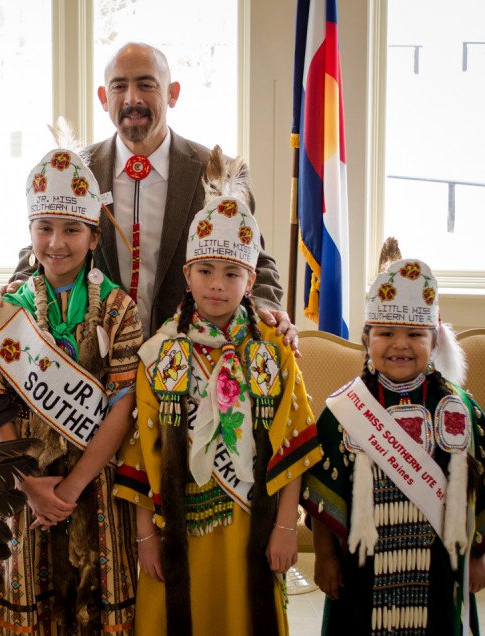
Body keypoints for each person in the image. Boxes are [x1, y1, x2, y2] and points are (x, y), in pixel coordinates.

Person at [113, 151, 322, 635]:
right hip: (176, 531)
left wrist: (287, 527)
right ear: (186, 275)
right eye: (205, 270)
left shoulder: (274, 350)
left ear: (252, 280)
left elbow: (295, 444)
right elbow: (141, 454)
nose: (217, 285)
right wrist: (145, 537)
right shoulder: (160, 352)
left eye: (232, 273)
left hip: (252, 527)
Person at [0, 42, 296, 347]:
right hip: (96, 372)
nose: (131, 99)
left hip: (184, 369)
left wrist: (266, 308)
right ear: (103, 98)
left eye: (146, 85)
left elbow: (257, 262)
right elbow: (45, 247)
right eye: (119, 87)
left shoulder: (219, 173)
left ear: (172, 93)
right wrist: (16, 289)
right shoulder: (78, 173)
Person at [301, 258, 485, 635]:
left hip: (440, 566)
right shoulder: (343, 410)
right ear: (366, 339)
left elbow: (483, 489)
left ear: (435, 341)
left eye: (415, 334)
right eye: (386, 333)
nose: (400, 344)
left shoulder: (458, 410)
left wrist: (477, 555)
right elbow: (322, 489)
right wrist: (324, 556)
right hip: (361, 569)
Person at [0, 148, 144, 634]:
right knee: (30, 595)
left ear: (93, 237)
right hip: (25, 486)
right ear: (29, 234)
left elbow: (123, 405)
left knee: (98, 596)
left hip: (98, 484)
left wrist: (70, 487)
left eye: (71, 230)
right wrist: (31, 485)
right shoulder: (6, 310)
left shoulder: (119, 310)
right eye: (44, 227)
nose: (57, 242)